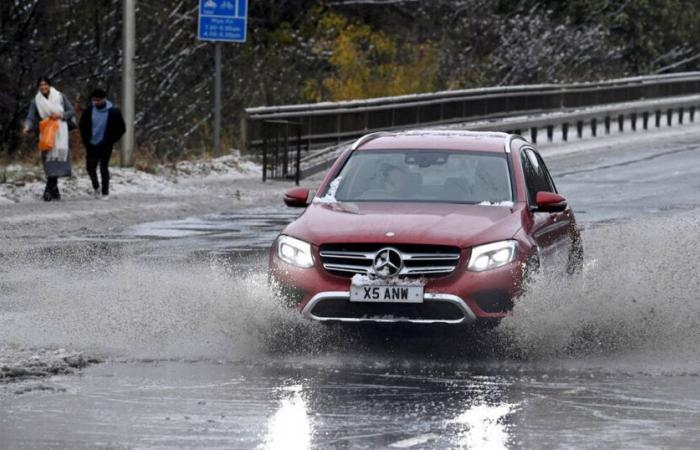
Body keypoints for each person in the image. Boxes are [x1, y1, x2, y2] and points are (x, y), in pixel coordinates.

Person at [22, 76, 77, 201]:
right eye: (41, 85)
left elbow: (71, 111)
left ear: (49, 85)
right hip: (46, 132)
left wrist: (61, 114)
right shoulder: (36, 100)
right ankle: (55, 191)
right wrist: (27, 126)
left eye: (45, 84)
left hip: (60, 132)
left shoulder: (60, 96)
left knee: (56, 162)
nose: (43, 87)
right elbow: (31, 116)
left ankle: (48, 191)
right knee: (48, 162)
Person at [79, 89, 126, 199]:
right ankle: (96, 187)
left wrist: (112, 140)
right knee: (90, 168)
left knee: (103, 167)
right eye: (94, 100)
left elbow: (122, 128)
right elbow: (83, 126)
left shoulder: (114, 112)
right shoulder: (89, 111)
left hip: (106, 144)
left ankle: (105, 192)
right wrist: (86, 140)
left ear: (104, 99)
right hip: (91, 144)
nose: (96, 102)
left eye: (98, 100)